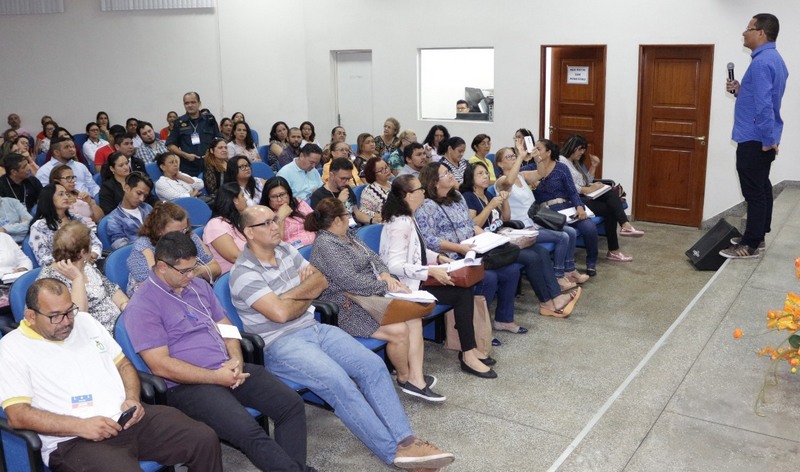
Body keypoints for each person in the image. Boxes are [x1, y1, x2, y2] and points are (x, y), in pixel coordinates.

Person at [230, 204, 455, 469]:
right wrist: (305, 291)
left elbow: (321, 281)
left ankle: (406, 440)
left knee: (373, 366)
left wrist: (292, 295)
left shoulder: (286, 250)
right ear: (249, 232)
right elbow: (280, 315)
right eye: (265, 223)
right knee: (339, 383)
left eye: (274, 220)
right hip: (281, 343)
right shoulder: (244, 273)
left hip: (313, 327)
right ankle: (394, 453)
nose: (274, 226)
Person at [126, 232, 313, 472]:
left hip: (228, 368)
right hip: (188, 386)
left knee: (291, 404)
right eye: (184, 271)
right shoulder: (143, 305)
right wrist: (216, 377)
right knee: (248, 431)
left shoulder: (198, 286)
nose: (192, 275)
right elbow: (160, 365)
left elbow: (227, 326)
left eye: (194, 268)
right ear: (161, 267)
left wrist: (235, 359)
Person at [0, 278, 223, 471]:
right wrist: (81, 426)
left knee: (203, 438)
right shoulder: (12, 348)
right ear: (30, 316)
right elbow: (18, 415)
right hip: (74, 440)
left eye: (70, 311)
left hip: (127, 420)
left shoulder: (85, 322)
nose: (67, 321)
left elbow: (124, 365)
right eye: (56, 316)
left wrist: (133, 399)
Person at [307, 198, 446, 401]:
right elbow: (350, 281)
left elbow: (375, 258)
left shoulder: (348, 235)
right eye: (346, 215)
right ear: (336, 220)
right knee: (399, 330)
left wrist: (386, 275)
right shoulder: (326, 244)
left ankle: (415, 379)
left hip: (370, 295)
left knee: (413, 317)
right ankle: (405, 377)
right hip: (346, 306)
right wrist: (387, 285)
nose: (350, 218)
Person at [380, 175, 498, 378]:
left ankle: (468, 350)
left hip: (416, 279)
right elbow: (394, 265)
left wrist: (440, 258)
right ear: (409, 196)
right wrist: (430, 270)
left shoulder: (408, 216)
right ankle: (468, 354)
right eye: (419, 190)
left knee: (464, 290)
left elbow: (419, 250)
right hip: (405, 287)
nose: (423, 193)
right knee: (461, 294)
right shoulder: (400, 224)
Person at [462, 162, 582, 320]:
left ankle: (555, 297)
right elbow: (473, 225)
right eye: (480, 174)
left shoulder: (487, 194)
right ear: (470, 178)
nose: (485, 176)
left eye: (486, 173)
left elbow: (506, 218)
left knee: (541, 251)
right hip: (490, 246)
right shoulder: (470, 197)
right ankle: (547, 302)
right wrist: (490, 207)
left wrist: (504, 201)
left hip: (502, 237)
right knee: (532, 258)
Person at [415, 162, 523, 332]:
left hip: (472, 251)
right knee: (489, 277)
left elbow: (470, 225)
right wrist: (459, 248)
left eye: (450, 172)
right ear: (434, 182)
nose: (451, 175)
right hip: (450, 258)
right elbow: (429, 240)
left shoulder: (457, 196)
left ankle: (503, 319)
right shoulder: (426, 206)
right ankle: (478, 329)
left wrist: (490, 239)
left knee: (512, 269)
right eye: (445, 174)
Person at [720, 13, 788, 259]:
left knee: (754, 192)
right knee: (762, 187)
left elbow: (764, 107)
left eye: (748, 28)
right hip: (763, 136)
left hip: (755, 138)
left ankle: (749, 245)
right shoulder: (775, 60)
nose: (743, 32)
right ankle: (758, 237)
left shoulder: (761, 63)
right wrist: (741, 91)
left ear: (761, 33)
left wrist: (768, 141)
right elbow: (762, 99)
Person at [494, 144, 588, 288]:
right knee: (563, 237)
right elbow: (509, 182)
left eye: (513, 155)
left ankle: (569, 270)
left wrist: (538, 159)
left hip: (537, 220)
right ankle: (558, 277)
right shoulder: (501, 181)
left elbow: (541, 173)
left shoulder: (522, 176)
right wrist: (520, 157)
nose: (513, 158)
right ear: (500, 164)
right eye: (509, 157)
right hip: (523, 227)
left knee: (571, 231)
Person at [560, 134, 644, 261]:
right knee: (611, 207)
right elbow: (568, 187)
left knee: (609, 195)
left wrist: (593, 167)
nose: (582, 153)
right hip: (573, 201)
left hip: (584, 196)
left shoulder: (575, 162)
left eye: (583, 150)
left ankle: (623, 231)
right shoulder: (561, 161)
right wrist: (590, 189)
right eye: (580, 149)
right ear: (572, 147)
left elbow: (585, 181)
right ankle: (620, 237)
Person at [37, 221, 128, 333]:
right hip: (94, 336)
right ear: (83, 252)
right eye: (91, 245)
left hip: (120, 326)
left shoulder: (86, 266)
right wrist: (77, 279)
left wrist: (125, 306)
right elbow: (78, 319)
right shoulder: (50, 282)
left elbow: (110, 289)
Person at [533, 139, 600, 276]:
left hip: (566, 205)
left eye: (539, 149)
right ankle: (567, 269)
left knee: (589, 227)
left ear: (549, 152)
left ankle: (591, 262)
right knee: (569, 232)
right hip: (547, 211)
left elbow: (572, 191)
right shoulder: (531, 170)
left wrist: (579, 207)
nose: (535, 151)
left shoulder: (561, 168)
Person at [127, 202, 220, 294]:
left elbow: (216, 268)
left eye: (184, 229)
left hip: (194, 292)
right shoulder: (143, 248)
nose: (182, 235)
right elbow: (153, 288)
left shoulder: (189, 236)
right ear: (159, 230)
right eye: (176, 232)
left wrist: (196, 271)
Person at [29, 183, 103, 266]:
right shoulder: (39, 226)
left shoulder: (77, 218)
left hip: (89, 264)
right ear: (48, 198)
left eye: (67, 194)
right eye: (61, 194)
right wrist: (77, 260)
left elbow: (96, 242)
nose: (66, 197)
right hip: (62, 271)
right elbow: (44, 259)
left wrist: (93, 254)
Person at [166, 91, 222, 177]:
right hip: (188, 166)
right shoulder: (179, 122)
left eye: (193, 102)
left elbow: (218, 139)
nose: (190, 105)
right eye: (186, 103)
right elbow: (170, 145)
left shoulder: (209, 119)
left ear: (199, 103)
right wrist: (185, 155)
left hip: (210, 164)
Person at [311, 158, 372, 225]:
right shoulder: (318, 196)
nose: (347, 183)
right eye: (343, 178)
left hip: (354, 227)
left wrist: (373, 220)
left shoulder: (346, 188)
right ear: (332, 175)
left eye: (348, 179)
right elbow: (322, 224)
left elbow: (357, 213)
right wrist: (339, 202)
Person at [204, 182, 247, 273]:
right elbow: (234, 257)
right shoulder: (215, 225)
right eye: (243, 196)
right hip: (233, 275)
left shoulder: (238, 220)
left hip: (248, 269)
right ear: (235, 200)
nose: (246, 200)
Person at [260, 176, 316, 248]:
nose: (279, 199)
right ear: (267, 198)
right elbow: (275, 244)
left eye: (282, 194)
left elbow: (315, 223)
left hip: (315, 245)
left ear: (289, 193)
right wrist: (280, 217)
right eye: (274, 196)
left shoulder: (298, 202)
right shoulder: (264, 214)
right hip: (291, 253)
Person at [106, 172, 154, 250]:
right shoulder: (114, 219)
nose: (142, 199)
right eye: (139, 193)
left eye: (145, 196)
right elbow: (121, 248)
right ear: (127, 188)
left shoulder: (147, 208)